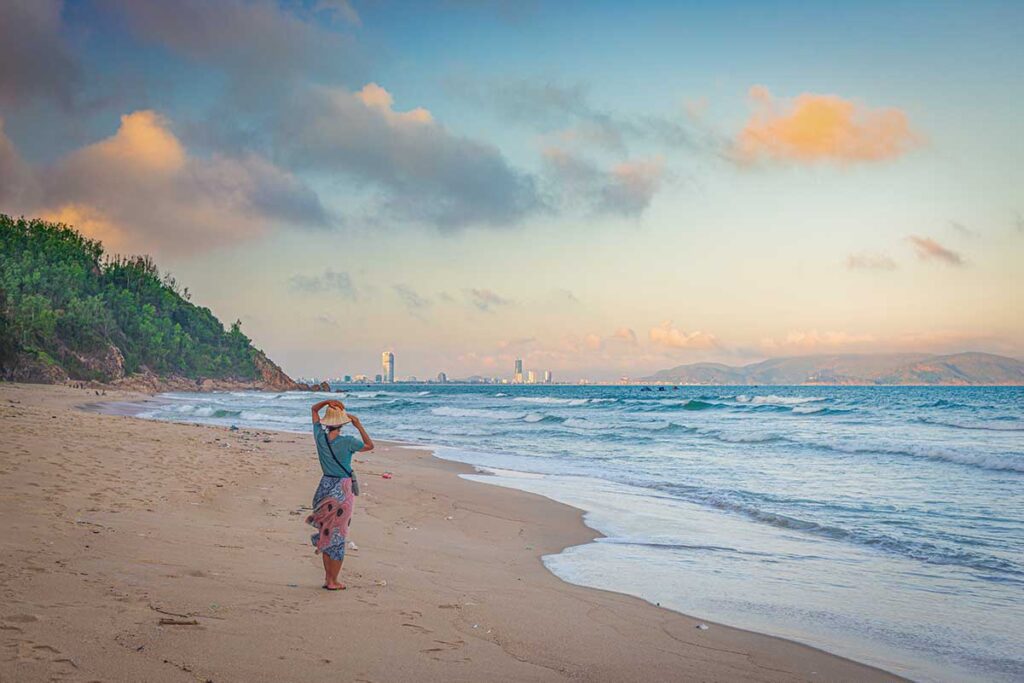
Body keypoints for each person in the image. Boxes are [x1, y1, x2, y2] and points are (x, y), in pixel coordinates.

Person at [306, 399, 374, 590]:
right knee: (339, 534)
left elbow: (313, 409)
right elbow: (370, 445)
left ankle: (329, 578)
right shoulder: (348, 442)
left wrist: (327, 401)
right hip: (342, 489)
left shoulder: (320, 436)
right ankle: (333, 581)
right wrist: (358, 424)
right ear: (343, 422)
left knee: (327, 532)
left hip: (324, 486)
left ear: (327, 423)